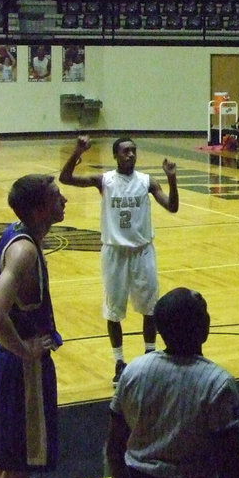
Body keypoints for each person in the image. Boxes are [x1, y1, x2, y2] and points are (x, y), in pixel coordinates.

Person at [107, 288, 239, 478]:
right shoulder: (217, 384)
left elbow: (114, 446)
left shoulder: (133, 371)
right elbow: (230, 466)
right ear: (205, 328)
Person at [59, 136, 179, 385]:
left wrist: (171, 179)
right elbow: (65, 178)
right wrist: (77, 151)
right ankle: (119, 361)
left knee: (150, 308)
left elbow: (172, 207)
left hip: (142, 251)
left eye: (133, 150)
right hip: (114, 252)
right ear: (115, 155)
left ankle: (150, 356)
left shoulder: (147, 181)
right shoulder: (105, 180)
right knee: (114, 311)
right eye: (125, 151)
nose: (130, 154)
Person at [0, 174, 67, 478]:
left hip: (6, 360)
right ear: (39, 209)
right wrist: (24, 349)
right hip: (23, 369)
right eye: (56, 196)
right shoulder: (24, 252)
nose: (64, 200)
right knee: (20, 466)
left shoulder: (15, 233)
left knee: (8, 460)